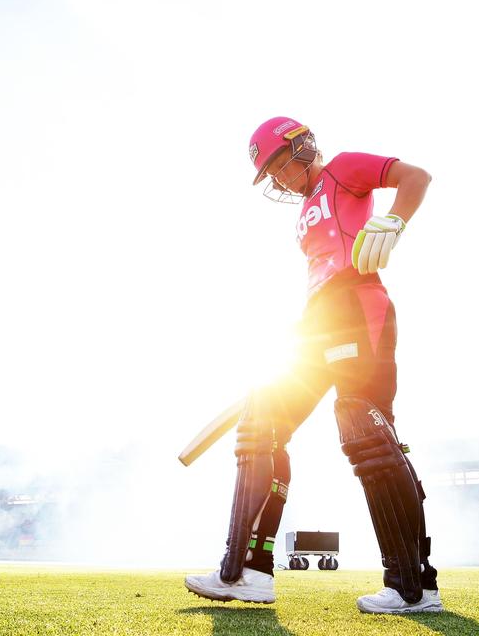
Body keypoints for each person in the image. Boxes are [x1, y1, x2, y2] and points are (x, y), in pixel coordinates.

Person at [185, 117, 439, 614]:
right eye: (270, 173)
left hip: (358, 305)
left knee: (363, 429)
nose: (278, 177)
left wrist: (394, 220)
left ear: (304, 147)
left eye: (281, 163)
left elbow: (416, 177)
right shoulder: (301, 213)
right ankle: (247, 572)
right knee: (262, 424)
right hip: (317, 320)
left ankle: (412, 585)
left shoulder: (343, 170)